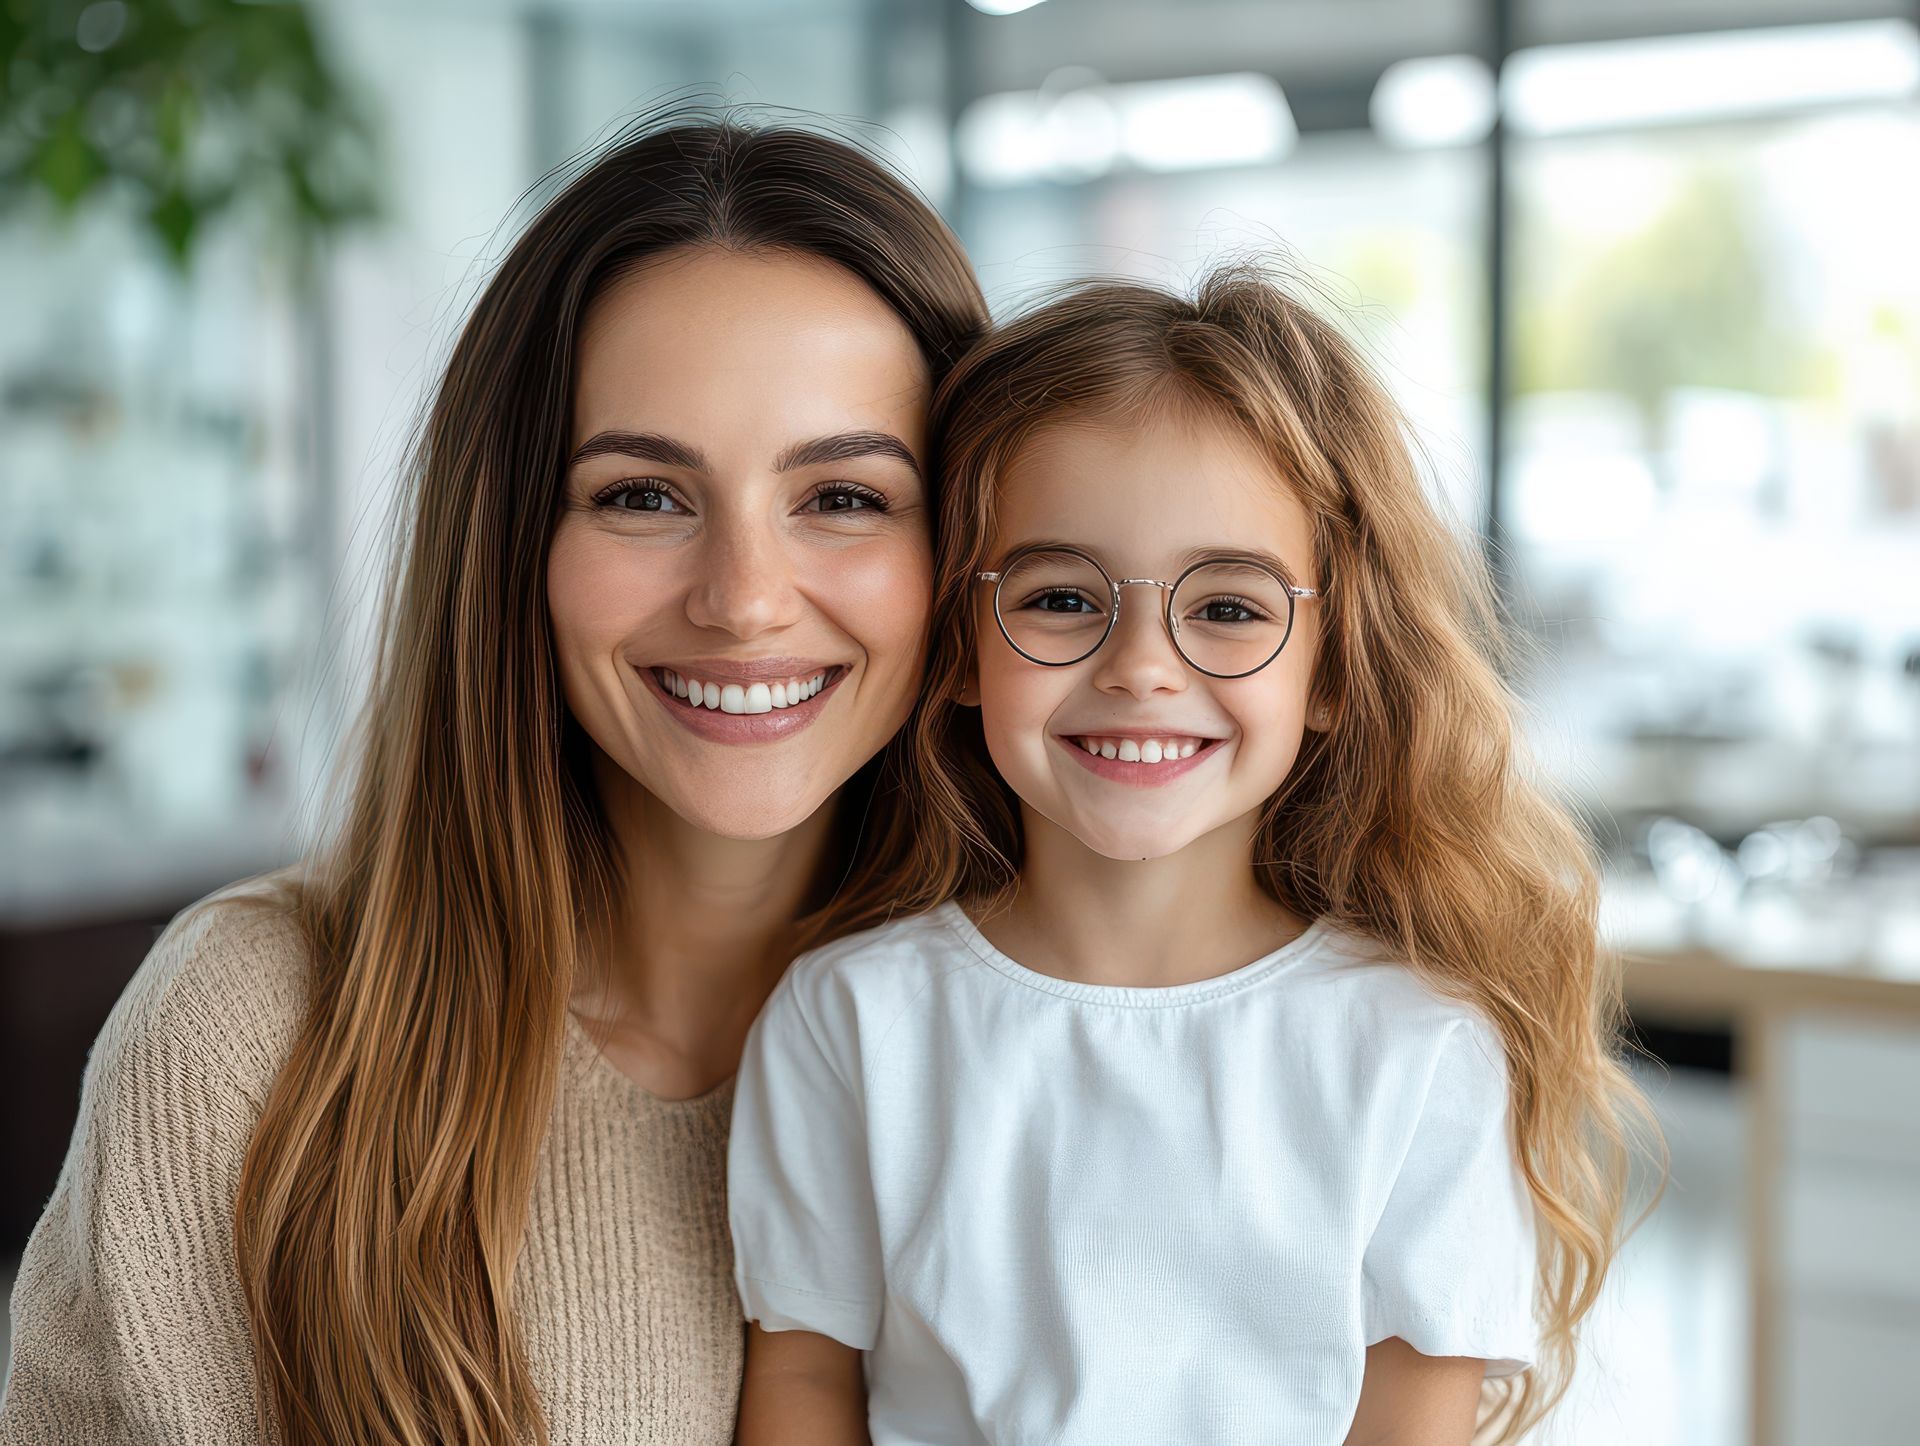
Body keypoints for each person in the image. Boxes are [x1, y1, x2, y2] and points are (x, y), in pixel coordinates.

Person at [0, 108, 987, 1445]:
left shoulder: (1079, 1037)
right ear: (513, 537)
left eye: (847, 498)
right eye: (643, 494)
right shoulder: (261, 1042)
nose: (747, 600)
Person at [728, 269, 1656, 1445]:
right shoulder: (846, 1024)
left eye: (1227, 608)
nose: (1141, 667)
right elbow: (805, 1386)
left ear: (1330, 669)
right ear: (959, 646)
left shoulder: (1416, 1052)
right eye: (1061, 596)